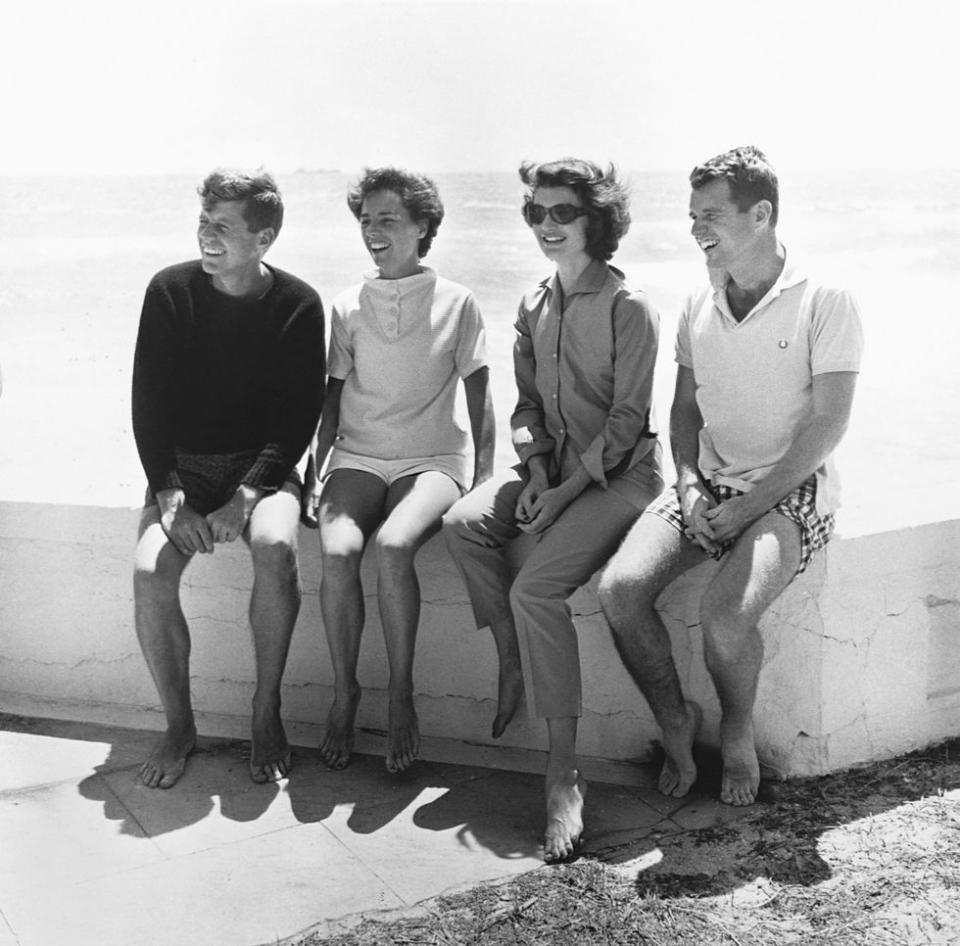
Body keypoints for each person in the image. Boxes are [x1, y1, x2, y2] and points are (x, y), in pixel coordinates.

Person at [598, 146, 864, 807]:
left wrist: (752, 508)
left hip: (788, 489)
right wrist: (687, 483)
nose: (697, 232)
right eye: (692, 218)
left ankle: (737, 730)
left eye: (711, 216)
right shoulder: (697, 302)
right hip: (708, 482)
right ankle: (674, 717)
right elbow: (683, 409)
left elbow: (827, 425)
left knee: (723, 619)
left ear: (761, 214)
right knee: (620, 590)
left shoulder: (826, 300)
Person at [442, 158, 663, 862]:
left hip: (621, 480)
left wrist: (565, 490)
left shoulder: (630, 308)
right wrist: (536, 470)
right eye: (534, 213)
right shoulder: (534, 303)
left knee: (535, 586)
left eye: (560, 213)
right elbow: (529, 407)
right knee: (462, 525)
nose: (545, 226)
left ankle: (563, 772)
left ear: (597, 221)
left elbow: (627, 422)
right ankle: (512, 655)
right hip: (556, 472)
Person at [131, 168, 325, 789]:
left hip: (261, 469)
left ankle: (265, 712)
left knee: (274, 547)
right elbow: (147, 404)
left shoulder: (298, 303)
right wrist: (169, 498)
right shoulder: (170, 290)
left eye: (223, 227)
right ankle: (179, 725)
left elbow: (299, 418)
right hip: (182, 470)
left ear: (264, 238)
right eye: (203, 223)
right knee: (148, 573)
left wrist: (245, 495)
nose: (207, 237)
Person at [306, 167, 495, 775]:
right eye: (366, 220)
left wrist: (485, 476)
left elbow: (480, 396)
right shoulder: (346, 305)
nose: (374, 231)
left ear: (422, 227)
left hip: (433, 458)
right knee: (337, 553)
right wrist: (314, 471)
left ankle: (402, 695)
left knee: (392, 546)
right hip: (359, 456)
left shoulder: (458, 301)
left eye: (389, 219)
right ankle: (345, 691)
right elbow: (332, 400)